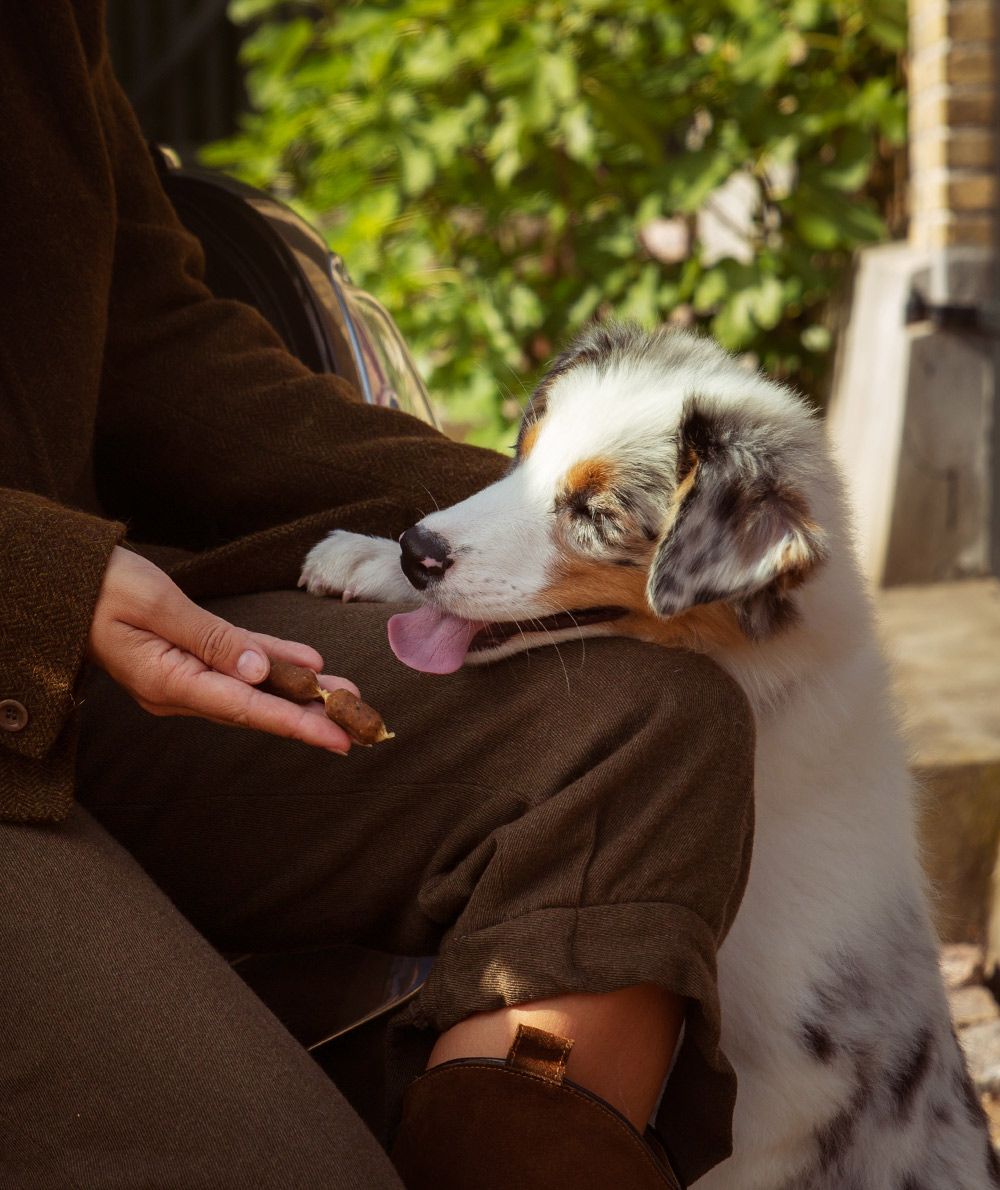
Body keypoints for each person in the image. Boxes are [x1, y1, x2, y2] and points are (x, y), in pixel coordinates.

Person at [0, 3, 755, 1187]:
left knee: (651, 728)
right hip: (26, 659)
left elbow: (155, 349)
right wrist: (32, 576)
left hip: (86, 681)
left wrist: (519, 513)